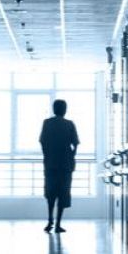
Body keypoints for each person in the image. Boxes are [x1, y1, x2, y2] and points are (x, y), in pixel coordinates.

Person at [38, 99, 80, 233]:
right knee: (63, 194)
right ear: (65, 110)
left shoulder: (47, 123)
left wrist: (47, 155)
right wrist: (71, 156)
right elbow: (75, 144)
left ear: (54, 109)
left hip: (50, 164)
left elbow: (42, 142)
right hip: (65, 165)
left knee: (51, 193)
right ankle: (58, 224)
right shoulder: (69, 124)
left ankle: (50, 220)